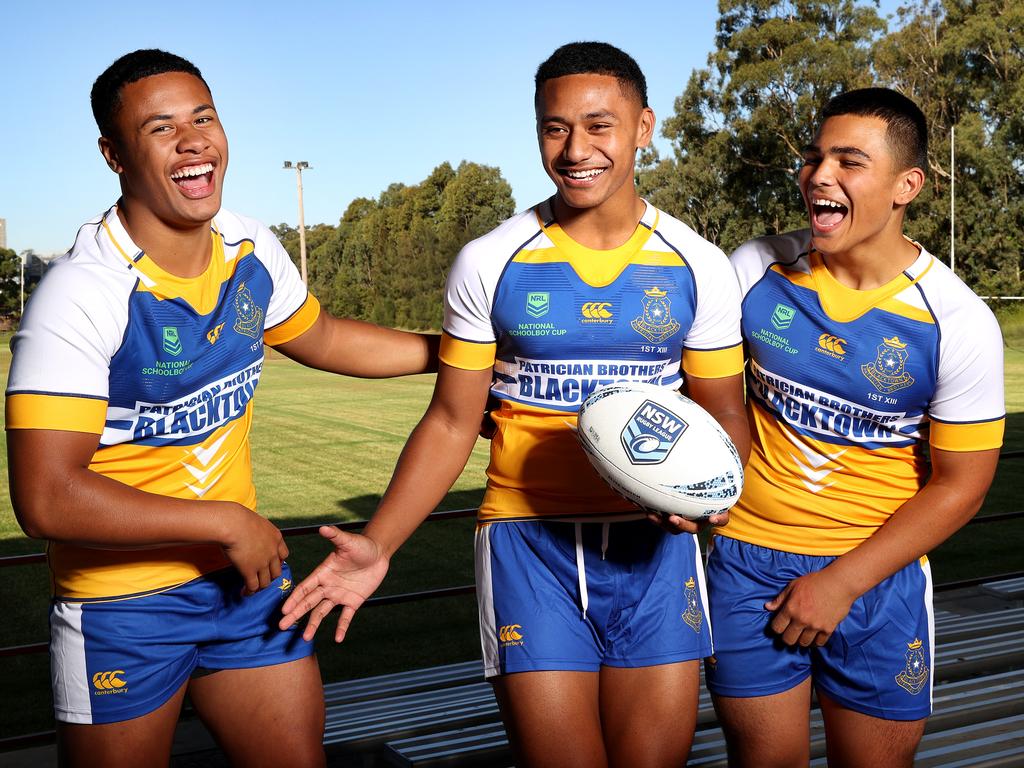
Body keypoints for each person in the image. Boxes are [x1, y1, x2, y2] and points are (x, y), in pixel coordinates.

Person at [280, 41, 750, 768]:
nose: (575, 149)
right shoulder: (492, 259)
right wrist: (379, 542)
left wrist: (708, 495)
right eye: (554, 128)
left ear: (645, 126)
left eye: (600, 125)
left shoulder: (697, 264)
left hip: (654, 553)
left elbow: (725, 411)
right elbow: (450, 420)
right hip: (527, 545)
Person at [5, 49, 438, 768]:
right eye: (161, 128)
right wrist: (224, 523)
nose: (193, 139)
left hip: (246, 588)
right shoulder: (83, 292)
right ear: (114, 154)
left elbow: (322, 336)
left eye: (203, 117)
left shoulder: (250, 248)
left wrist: (454, 352)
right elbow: (47, 496)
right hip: (122, 607)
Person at [705, 87, 1005, 767]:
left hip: (876, 576)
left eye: (849, 161)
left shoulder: (957, 323)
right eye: (813, 158)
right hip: (749, 563)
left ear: (907, 185)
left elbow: (962, 487)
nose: (819, 175)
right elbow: (696, 394)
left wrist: (840, 583)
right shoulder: (754, 270)